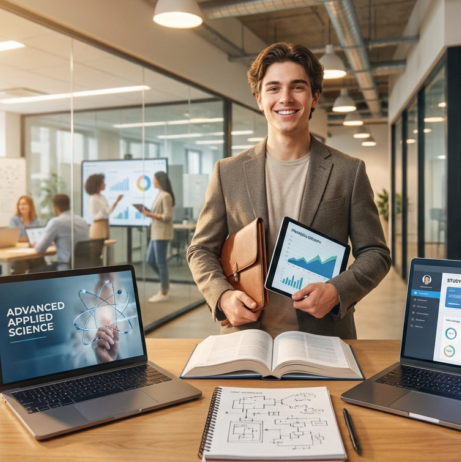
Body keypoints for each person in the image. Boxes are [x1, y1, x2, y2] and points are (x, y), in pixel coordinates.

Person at [187, 43, 391, 339]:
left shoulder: (349, 171)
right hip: (245, 338)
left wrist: (337, 291)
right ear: (258, 98)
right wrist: (222, 296)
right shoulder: (227, 172)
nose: (285, 98)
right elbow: (201, 250)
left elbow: (376, 253)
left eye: (297, 87)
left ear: (314, 97)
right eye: (273, 88)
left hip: (324, 337)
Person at [30, 194, 90, 271]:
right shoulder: (82, 220)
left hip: (65, 268)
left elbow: (40, 248)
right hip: (84, 267)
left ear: (55, 208)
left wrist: (36, 244)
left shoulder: (56, 222)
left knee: (32, 271)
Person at [141, 172, 175, 303]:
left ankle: (164, 291)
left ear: (159, 181)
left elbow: (167, 216)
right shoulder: (160, 194)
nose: (153, 181)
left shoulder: (165, 196)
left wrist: (150, 215)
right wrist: (150, 213)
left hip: (162, 234)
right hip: (155, 233)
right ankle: (165, 281)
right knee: (150, 260)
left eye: (154, 179)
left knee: (161, 262)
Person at [84, 173, 123, 239]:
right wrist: (116, 201)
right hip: (98, 227)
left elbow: (107, 210)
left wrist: (116, 201)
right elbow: (106, 211)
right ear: (97, 185)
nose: (104, 184)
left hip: (105, 225)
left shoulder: (102, 197)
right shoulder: (93, 198)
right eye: (102, 182)